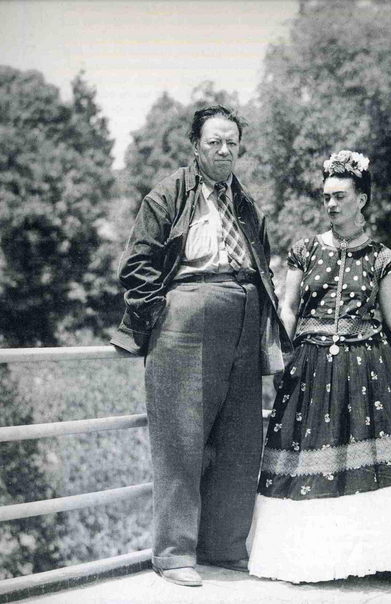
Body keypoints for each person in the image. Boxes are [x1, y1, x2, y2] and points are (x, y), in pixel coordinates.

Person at [247, 150, 391, 583]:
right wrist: (274, 356)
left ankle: (348, 562)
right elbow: (288, 309)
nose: (331, 204)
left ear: (361, 199)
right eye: (326, 196)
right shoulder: (305, 250)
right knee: (302, 463)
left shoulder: (383, 259)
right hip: (308, 372)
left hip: (364, 374)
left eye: (340, 196)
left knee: (356, 468)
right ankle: (302, 560)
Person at [111, 105, 291, 587]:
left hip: (245, 316)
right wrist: (166, 312)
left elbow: (264, 264)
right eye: (214, 142)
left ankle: (225, 547)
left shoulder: (246, 203)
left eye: (232, 142)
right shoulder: (168, 194)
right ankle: (173, 555)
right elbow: (136, 265)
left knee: (240, 440)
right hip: (187, 316)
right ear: (195, 146)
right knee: (181, 439)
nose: (224, 150)